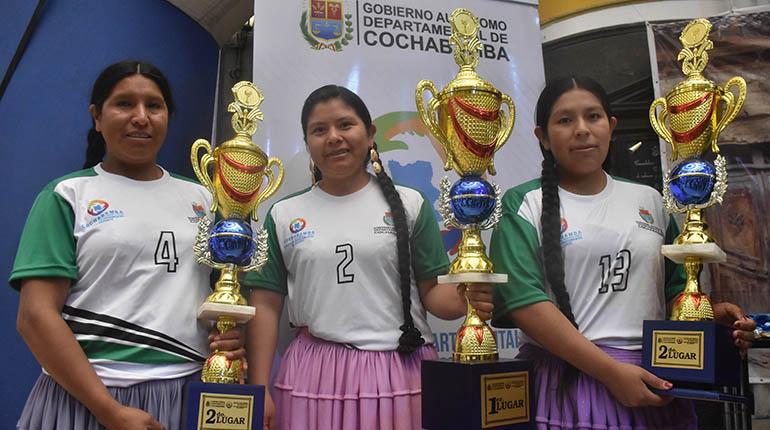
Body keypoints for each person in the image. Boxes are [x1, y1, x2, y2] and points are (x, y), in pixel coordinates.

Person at [488, 76, 756, 429]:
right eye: (565, 120)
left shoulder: (650, 200)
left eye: (593, 116)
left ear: (611, 127)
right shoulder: (522, 203)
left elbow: (674, 287)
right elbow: (525, 303)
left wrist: (705, 317)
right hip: (570, 383)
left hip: (657, 381)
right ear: (543, 137)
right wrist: (612, 373)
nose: (582, 130)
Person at [11, 60, 244, 430]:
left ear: (168, 116)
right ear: (97, 117)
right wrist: (109, 411)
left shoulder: (204, 199)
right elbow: (35, 318)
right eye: (124, 104)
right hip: (86, 397)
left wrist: (229, 337)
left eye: (154, 106)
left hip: (182, 392)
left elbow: (221, 298)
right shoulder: (66, 196)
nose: (141, 117)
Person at [244, 84, 493, 430]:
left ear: (370, 132)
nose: (333, 137)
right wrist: (259, 389)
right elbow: (266, 306)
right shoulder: (285, 214)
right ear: (307, 142)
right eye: (319, 130)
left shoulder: (410, 204)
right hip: (315, 371)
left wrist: (469, 294)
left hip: (400, 369)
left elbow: (435, 297)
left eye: (346, 125)